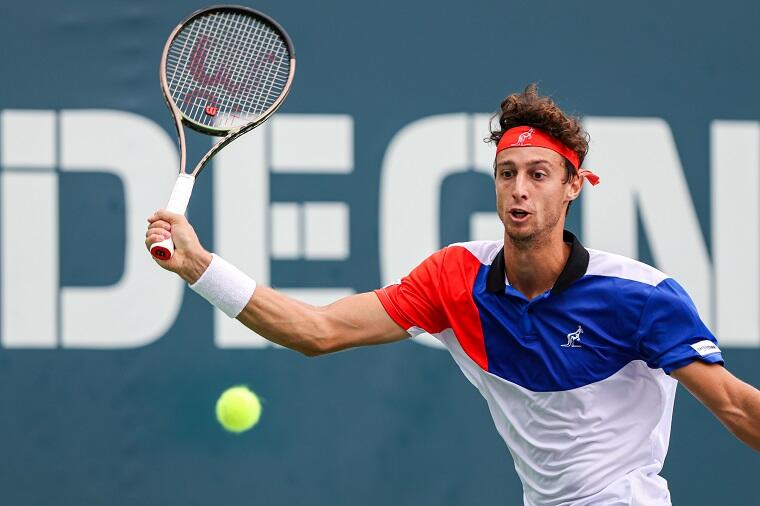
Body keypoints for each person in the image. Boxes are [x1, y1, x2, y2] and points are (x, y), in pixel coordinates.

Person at [146, 84, 760, 505]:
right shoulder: (454, 277)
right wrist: (199, 266)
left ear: (574, 185)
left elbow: (736, 407)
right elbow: (317, 331)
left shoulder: (640, 296)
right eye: (507, 173)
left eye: (539, 175)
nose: (520, 189)